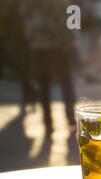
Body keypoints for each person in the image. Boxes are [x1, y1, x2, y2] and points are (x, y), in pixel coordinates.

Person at [23, 0, 77, 133]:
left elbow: (28, 20)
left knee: (47, 86)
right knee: (62, 84)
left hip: (45, 46)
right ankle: (67, 119)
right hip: (53, 46)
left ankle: (51, 123)